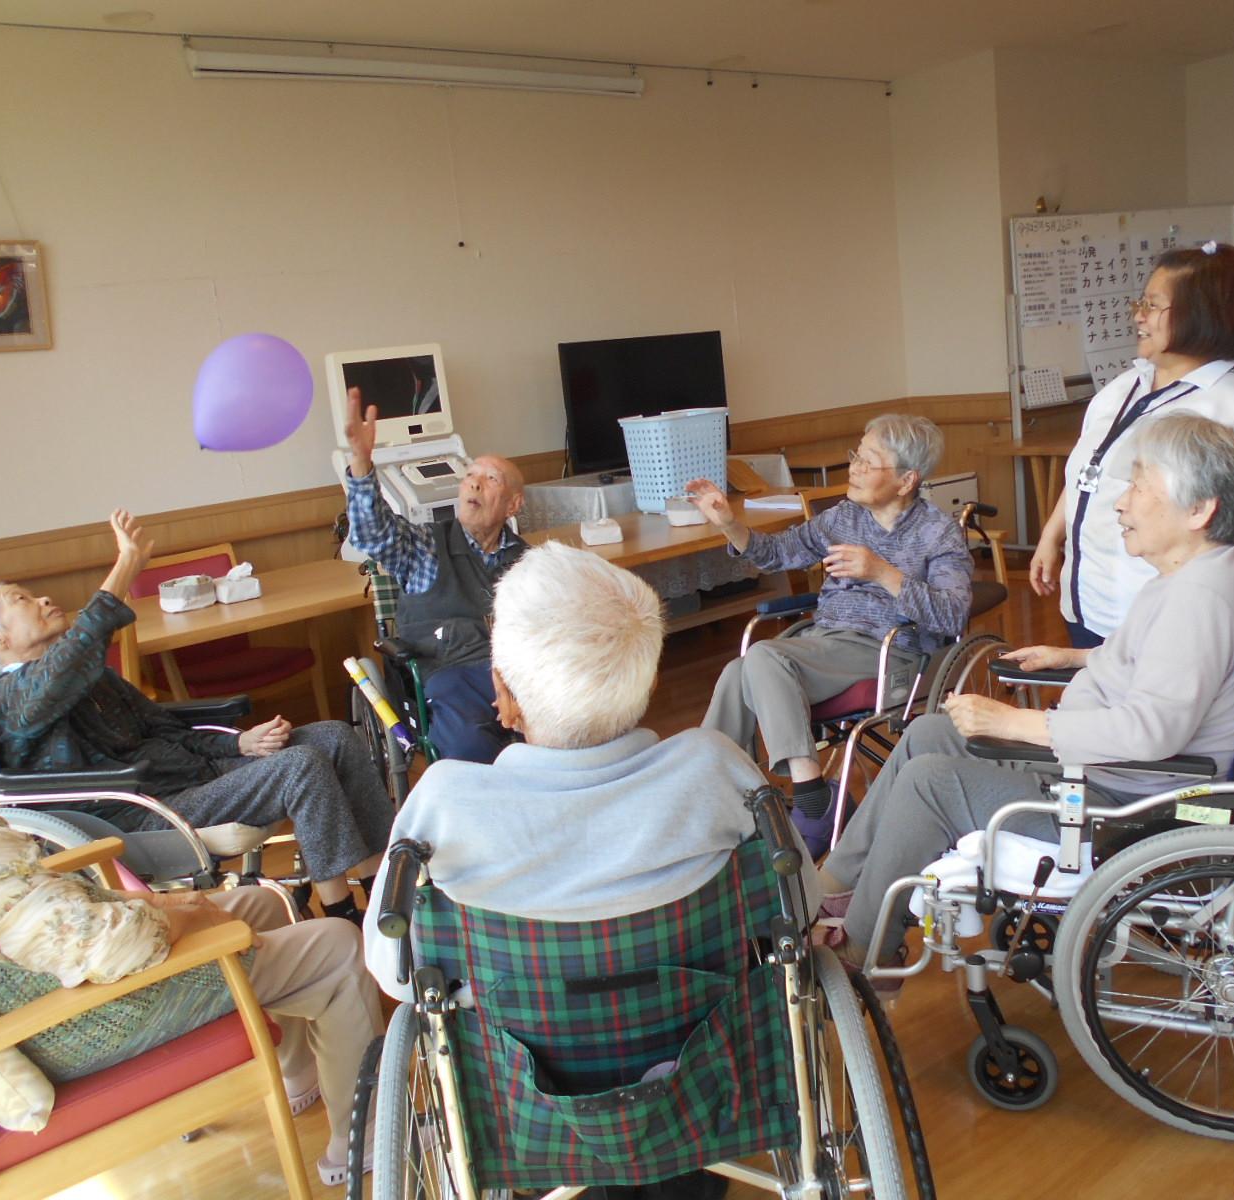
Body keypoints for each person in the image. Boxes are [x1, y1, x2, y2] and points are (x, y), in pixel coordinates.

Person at [0, 646, 383, 1187]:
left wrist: (164, 906)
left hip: (52, 989)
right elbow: (115, 948)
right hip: (89, 1024)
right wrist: (180, 913)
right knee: (337, 946)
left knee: (262, 904)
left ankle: (297, 1076)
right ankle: (361, 1142)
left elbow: (55, 923)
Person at [822, 415, 1234, 967]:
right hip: (1107, 775)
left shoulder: (1199, 600)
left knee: (929, 782)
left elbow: (1152, 729)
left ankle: (863, 954)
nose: (1120, 504)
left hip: (1121, 805)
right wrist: (1077, 657)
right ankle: (834, 886)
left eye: (1138, 486)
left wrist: (1011, 722)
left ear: (1200, 510)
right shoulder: (1210, 575)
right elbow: (1162, 667)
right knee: (928, 734)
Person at [365, 540, 819, 997]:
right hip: (709, 1027)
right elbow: (802, 903)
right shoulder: (715, 768)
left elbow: (396, 976)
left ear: (503, 695)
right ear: (652, 681)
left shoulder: (443, 802)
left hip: (513, 1036)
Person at [0, 510, 393, 925]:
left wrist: (238, 743)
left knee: (334, 736)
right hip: (141, 811)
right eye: (21, 600)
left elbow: (162, 727)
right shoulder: (10, 697)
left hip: (188, 778)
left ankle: (385, 892)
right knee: (300, 766)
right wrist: (124, 569)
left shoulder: (88, 677)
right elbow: (69, 660)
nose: (42, 599)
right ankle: (343, 915)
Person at [688, 414, 973, 847]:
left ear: (906, 480)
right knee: (737, 672)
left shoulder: (939, 534)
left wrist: (882, 573)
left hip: (887, 650)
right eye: (856, 455)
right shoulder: (843, 518)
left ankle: (812, 799)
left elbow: (952, 615)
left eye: (868, 461)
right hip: (823, 645)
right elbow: (778, 552)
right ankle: (719, 800)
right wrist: (729, 522)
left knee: (762, 657)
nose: (854, 467)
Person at [1030, 242, 1234, 647]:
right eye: (1140, 303)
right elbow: (1089, 471)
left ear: (1201, 314)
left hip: (1164, 619)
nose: (1138, 316)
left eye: (1152, 305)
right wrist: (1051, 535)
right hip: (1089, 599)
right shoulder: (1124, 386)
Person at [343, 388, 526, 763]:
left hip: (520, 674)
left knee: (570, 728)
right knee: (468, 748)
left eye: (491, 478)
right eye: (469, 475)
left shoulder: (528, 561)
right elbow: (373, 535)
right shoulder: (426, 546)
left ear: (514, 504)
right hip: (452, 675)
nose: (474, 483)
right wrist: (361, 464)